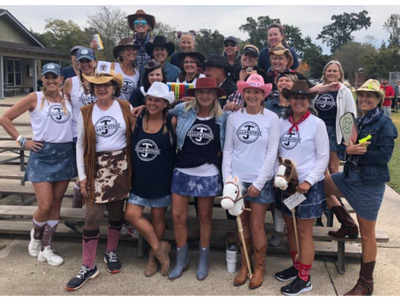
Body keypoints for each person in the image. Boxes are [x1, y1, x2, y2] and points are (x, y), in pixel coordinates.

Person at [325, 79, 398, 298]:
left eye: (370, 96)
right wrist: (349, 150)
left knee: (368, 234)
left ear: (378, 99)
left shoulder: (385, 124)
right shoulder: (356, 121)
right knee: (320, 185)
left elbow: (384, 156)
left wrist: (359, 152)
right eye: (362, 95)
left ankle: (365, 284)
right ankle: (347, 223)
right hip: (348, 178)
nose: (364, 99)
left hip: (369, 185)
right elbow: (340, 150)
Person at [0, 63, 77, 267]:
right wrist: (22, 141)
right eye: (47, 77)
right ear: (42, 79)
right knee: (45, 205)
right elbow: (5, 118)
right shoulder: (35, 97)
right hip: (42, 155)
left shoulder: (67, 99)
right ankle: (35, 237)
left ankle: (46, 247)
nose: (51, 81)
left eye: (55, 77)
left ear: (61, 79)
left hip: (65, 153)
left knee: (57, 203)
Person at [66, 63, 134, 291]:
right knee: (93, 216)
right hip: (96, 166)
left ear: (114, 87)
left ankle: (111, 252)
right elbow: (80, 145)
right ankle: (88, 265)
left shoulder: (125, 107)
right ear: (92, 88)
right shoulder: (85, 112)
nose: (101, 88)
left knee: (116, 213)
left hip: (121, 165)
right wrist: (82, 176)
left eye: (106, 84)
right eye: (97, 85)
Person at [168, 78, 228, 281]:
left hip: (208, 173)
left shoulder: (224, 117)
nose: (204, 96)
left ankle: (203, 258)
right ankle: (181, 258)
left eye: (209, 92)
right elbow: (159, 111)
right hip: (182, 170)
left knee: (205, 217)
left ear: (215, 95)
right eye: (201, 92)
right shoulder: (183, 111)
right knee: (178, 217)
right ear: (195, 94)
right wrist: (141, 106)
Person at [223, 74, 279, 290]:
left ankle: (260, 266)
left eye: (257, 91)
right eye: (249, 91)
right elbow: (228, 148)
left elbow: (272, 151)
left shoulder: (271, 118)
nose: (252, 95)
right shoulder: (234, 117)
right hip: (238, 179)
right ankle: (245, 264)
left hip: (259, 179)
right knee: (241, 224)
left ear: (263, 94)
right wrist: (228, 180)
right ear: (243, 93)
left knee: (256, 225)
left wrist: (260, 181)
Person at [274, 80, 329, 297]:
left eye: (303, 98)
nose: (298, 100)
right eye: (294, 97)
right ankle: (296, 266)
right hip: (286, 186)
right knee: (291, 229)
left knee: (305, 232)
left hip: (307, 187)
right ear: (289, 100)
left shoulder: (317, 124)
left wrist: (309, 182)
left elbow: (323, 156)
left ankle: (305, 278)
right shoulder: (281, 123)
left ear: (308, 101)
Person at [125, 82, 176, 278]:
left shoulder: (172, 121)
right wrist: (141, 108)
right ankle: (159, 249)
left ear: (165, 103)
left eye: (158, 100)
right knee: (131, 214)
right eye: (150, 99)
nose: (153, 103)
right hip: (139, 178)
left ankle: (152, 258)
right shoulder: (135, 119)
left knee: (157, 217)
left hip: (162, 178)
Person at [63, 48, 98, 234]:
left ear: (94, 62)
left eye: (88, 61)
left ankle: (82, 214)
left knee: (91, 172)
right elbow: (64, 104)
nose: (85, 64)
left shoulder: (100, 80)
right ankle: (76, 214)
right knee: (84, 172)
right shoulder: (70, 82)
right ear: (77, 63)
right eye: (81, 61)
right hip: (78, 132)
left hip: (99, 132)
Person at [314, 61, 357, 176]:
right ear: (324, 73)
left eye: (335, 71)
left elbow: (350, 115)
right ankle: (325, 193)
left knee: (333, 167)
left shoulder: (345, 92)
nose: (331, 73)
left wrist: (349, 138)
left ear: (340, 74)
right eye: (329, 70)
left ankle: (334, 192)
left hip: (335, 133)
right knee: (319, 166)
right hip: (317, 131)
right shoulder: (318, 89)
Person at [225, 45, 268, 111]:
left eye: (251, 56)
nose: (248, 58)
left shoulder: (261, 74)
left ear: (256, 59)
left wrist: (255, 78)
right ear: (242, 56)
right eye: (246, 55)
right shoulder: (234, 71)